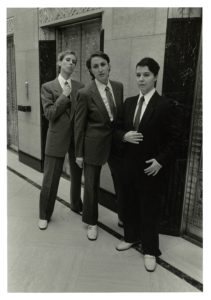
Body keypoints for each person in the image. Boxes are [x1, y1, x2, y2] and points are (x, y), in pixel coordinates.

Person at [115, 57, 180, 272]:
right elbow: (114, 129)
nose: (141, 79)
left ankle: (150, 250)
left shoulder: (165, 105)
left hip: (151, 170)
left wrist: (161, 161)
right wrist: (124, 136)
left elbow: (176, 140)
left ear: (155, 77)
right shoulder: (129, 103)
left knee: (149, 210)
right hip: (128, 167)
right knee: (129, 205)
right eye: (138, 75)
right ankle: (131, 237)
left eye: (146, 75)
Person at [74, 51, 124, 240]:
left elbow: (119, 119)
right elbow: (78, 125)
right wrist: (79, 153)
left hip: (116, 144)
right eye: (95, 66)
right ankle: (91, 222)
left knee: (121, 180)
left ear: (109, 66)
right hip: (93, 145)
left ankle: (123, 215)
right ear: (91, 71)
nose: (100, 69)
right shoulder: (85, 93)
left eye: (103, 64)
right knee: (91, 185)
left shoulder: (118, 87)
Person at [39, 50, 84, 230]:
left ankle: (76, 205)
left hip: (76, 139)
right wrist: (64, 96)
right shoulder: (48, 87)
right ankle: (44, 214)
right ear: (59, 63)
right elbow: (49, 114)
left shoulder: (80, 86)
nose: (71, 63)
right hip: (56, 139)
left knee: (77, 176)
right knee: (50, 179)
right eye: (67, 60)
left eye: (74, 61)